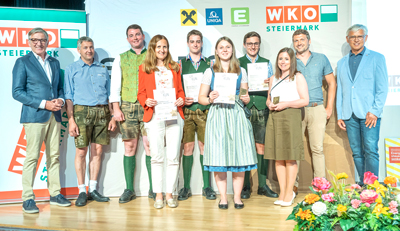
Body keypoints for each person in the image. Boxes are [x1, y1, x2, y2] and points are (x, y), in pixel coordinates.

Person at [12, 27, 71, 213]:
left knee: (54, 156)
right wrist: (44, 103)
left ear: (47, 41)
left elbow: (59, 88)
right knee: (32, 157)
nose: (39, 43)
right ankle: (28, 198)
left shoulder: (54, 62)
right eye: (35, 40)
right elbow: (17, 92)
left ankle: (55, 194)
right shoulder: (22, 62)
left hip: (55, 116)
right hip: (34, 116)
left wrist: (60, 100)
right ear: (29, 42)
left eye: (42, 40)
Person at [198, 36, 257, 210]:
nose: (225, 50)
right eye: (221, 47)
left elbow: (245, 95)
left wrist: (245, 97)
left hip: (236, 115)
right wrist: (209, 98)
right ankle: (223, 197)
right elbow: (201, 98)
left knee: (239, 158)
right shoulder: (210, 72)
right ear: (216, 51)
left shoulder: (241, 71)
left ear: (233, 50)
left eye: (228, 47)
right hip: (217, 115)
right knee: (219, 157)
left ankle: (237, 197)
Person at [64, 36, 117, 207]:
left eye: (91, 47)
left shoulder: (102, 68)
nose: (89, 50)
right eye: (85, 47)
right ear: (79, 50)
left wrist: (112, 116)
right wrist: (71, 120)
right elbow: (68, 97)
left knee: (98, 151)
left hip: (102, 112)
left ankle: (93, 189)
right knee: (81, 152)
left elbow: (110, 94)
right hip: (81, 112)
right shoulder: (71, 69)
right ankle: (81, 190)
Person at [138, 35, 185, 209]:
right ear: (152, 48)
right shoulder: (145, 68)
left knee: (173, 157)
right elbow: (141, 92)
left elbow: (180, 91)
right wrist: (146, 101)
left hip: (174, 115)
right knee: (156, 157)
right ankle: (158, 194)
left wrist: (181, 99)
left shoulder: (175, 67)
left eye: (164, 47)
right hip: (154, 116)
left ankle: (170, 194)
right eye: (158, 47)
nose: (162, 50)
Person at [336, 24, 388, 184]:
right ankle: (362, 183)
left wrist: (375, 111)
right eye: (353, 37)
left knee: (371, 151)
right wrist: (340, 114)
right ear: (347, 39)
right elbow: (341, 91)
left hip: (369, 115)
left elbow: (382, 88)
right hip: (349, 115)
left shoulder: (377, 58)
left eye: (360, 36)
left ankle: (373, 187)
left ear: (366, 38)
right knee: (357, 152)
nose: (356, 39)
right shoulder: (342, 62)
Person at [109, 24, 154, 203]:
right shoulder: (121, 58)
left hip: (149, 106)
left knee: (150, 146)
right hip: (127, 106)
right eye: (131, 35)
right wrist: (116, 108)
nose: (135, 38)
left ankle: (153, 188)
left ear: (143, 36)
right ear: (127, 39)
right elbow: (115, 85)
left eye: (137, 34)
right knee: (129, 148)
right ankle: (129, 189)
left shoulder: (152, 56)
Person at [292, 29, 337, 195]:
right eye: (296, 40)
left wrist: (329, 107)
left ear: (309, 41)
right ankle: (293, 186)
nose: (299, 43)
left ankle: (320, 187)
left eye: (302, 40)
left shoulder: (321, 58)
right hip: (295, 109)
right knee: (294, 149)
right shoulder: (289, 60)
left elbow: (332, 83)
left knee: (317, 149)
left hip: (317, 108)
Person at [264, 47, 309, 207]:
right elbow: (269, 98)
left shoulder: (298, 77)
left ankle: (290, 192)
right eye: (280, 59)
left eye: (286, 59)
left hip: (290, 116)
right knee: (278, 157)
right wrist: (270, 104)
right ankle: (282, 192)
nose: (283, 62)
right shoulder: (273, 78)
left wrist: (285, 104)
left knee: (290, 157)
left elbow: (305, 100)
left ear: (292, 61)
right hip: (275, 117)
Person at [238, 31, 278, 199]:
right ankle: (246, 186)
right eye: (249, 43)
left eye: (255, 43)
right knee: (245, 148)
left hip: (262, 107)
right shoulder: (237, 62)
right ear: (244, 45)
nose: (253, 46)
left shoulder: (267, 63)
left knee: (261, 147)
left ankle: (262, 185)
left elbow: (273, 87)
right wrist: (242, 95)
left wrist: (271, 83)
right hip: (244, 108)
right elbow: (236, 83)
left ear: (259, 45)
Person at [177, 29, 216, 201]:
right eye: (192, 41)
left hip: (204, 110)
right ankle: (185, 187)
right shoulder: (179, 64)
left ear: (201, 43)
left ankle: (207, 186)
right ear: (188, 43)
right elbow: (175, 87)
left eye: (198, 41)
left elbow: (214, 85)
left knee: (204, 147)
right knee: (187, 148)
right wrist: (181, 98)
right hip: (186, 111)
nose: (195, 44)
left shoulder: (210, 63)